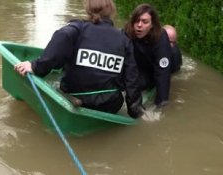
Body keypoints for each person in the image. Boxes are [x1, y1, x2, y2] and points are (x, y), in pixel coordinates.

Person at [14, 0, 145, 119]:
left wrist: (36, 67)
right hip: (108, 105)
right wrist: (135, 111)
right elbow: (131, 79)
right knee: (117, 96)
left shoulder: (77, 28)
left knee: (60, 77)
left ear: (88, 9)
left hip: (73, 96)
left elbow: (61, 38)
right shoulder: (125, 40)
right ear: (112, 12)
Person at [124, 3, 172, 107]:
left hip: (152, 68)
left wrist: (161, 103)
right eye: (136, 21)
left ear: (152, 24)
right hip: (137, 65)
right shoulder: (127, 31)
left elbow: (163, 72)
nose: (139, 25)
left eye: (144, 22)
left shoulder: (161, 37)